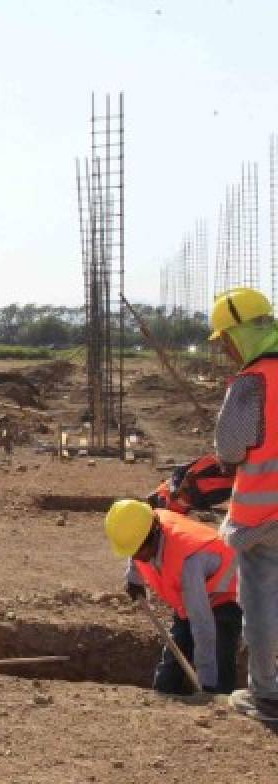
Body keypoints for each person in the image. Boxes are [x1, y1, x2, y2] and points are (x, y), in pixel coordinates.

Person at [208, 286, 278, 719]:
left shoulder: (253, 383)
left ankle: (266, 694)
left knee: (261, 604)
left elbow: (230, 449)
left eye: (227, 341)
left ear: (240, 335)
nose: (228, 351)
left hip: (266, 519)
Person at [105, 499, 241, 694]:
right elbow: (134, 548)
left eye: (139, 553)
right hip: (187, 601)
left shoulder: (189, 561)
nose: (136, 558)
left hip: (225, 597)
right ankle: (169, 690)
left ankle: (219, 696)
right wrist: (134, 578)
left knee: (217, 666)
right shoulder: (145, 525)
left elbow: (203, 626)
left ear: (153, 535)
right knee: (169, 675)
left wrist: (207, 685)